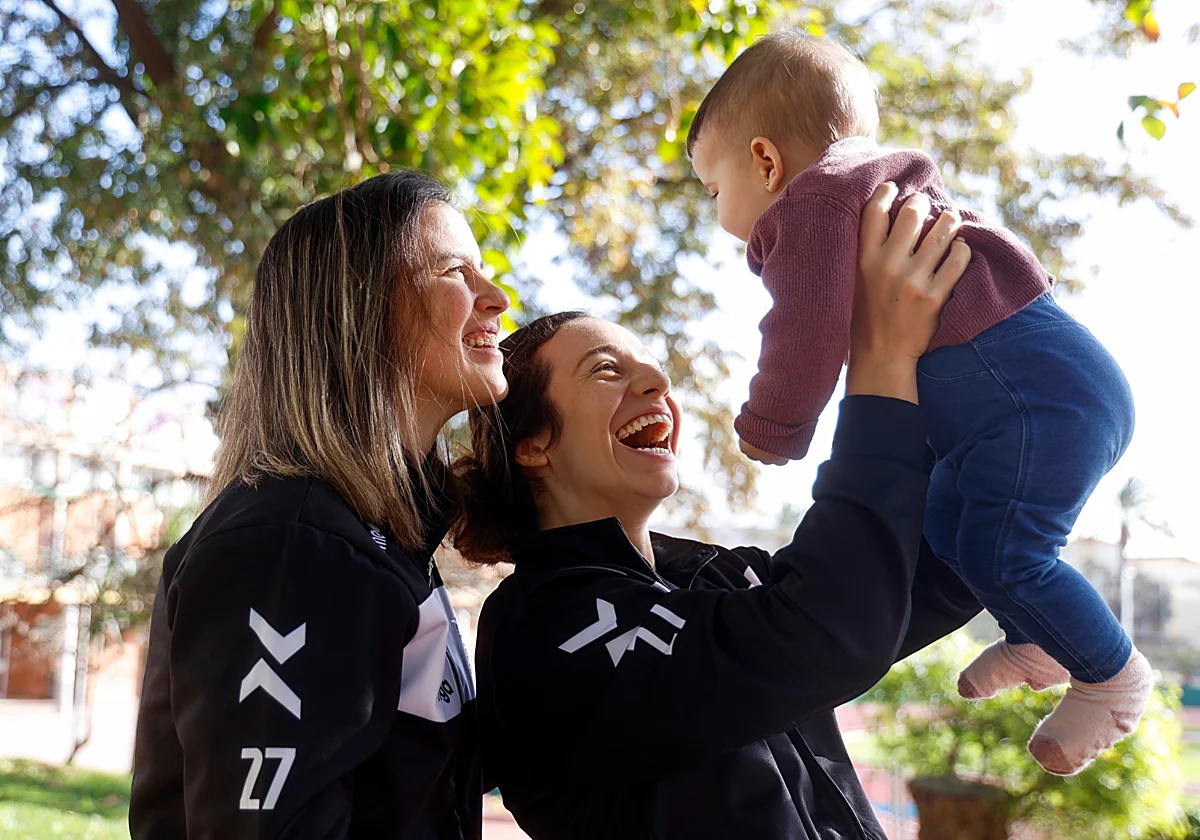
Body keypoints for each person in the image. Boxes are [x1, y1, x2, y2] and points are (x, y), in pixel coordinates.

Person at [452, 187, 984, 839]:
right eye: (606, 371)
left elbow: (950, 567)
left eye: (654, 371)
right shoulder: (542, 629)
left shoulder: (714, 578)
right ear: (533, 443)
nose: (657, 385)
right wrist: (881, 360)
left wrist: (986, 382)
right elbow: (831, 632)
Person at [686, 29, 1151, 775]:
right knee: (952, 533)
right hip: (1047, 393)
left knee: (1005, 551)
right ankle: (1036, 636)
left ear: (765, 162)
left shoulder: (811, 203)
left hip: (1036, 406)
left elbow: (804, 331)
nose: (719, 217)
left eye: (714, 191)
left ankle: (1113, 676)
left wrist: (774, 425)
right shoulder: (872, 190)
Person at [129, 171, 510, 838]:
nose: (497, 298)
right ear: (359, 309)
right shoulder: (289, 544)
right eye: (457, 271)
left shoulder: (373, 536)